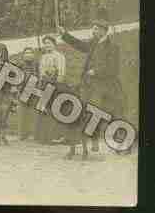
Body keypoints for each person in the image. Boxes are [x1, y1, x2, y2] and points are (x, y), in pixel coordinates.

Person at [58, 18, 126, 154]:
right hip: (89, 84)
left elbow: (114, 69)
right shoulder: (93, 43)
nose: (93, 31)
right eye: (93, 28)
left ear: (103, 31)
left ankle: (120, 143)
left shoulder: (113, 47)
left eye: (95, 29)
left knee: (111, 114)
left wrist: (96, 71)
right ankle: (94, 140)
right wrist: (65, 34)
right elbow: (79, 45)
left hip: (106, 85)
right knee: (89, 112)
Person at [34, 35, 67, 145]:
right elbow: (41, 73)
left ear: (54, 44)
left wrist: (56, 86)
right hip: (44, 85)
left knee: (55, 109)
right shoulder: (43, 57)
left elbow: (61, 74)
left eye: (49, 43)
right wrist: (41, 85)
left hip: (56, 85)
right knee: (43, 109)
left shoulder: (59, 56)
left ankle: (58, 136)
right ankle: (45, 137)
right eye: (45, 43)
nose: (47, 45)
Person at [15, 47, 39, 141]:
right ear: (23, 55)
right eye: (26, 53)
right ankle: (22, 134)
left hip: (34, 90)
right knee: (22, 113)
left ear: (33, 55)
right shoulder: (20, 64)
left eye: (30, 53)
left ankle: (34, 134)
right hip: (22, 90)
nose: (28, 55)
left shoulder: (36, 64)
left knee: (33, 113)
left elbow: (39, 75)